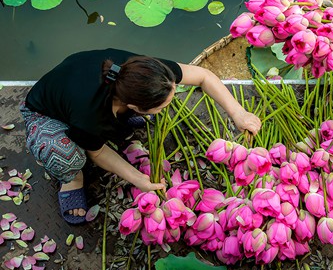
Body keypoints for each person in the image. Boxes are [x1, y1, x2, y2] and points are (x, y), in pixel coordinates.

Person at [21, 48, 261, 224]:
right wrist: (139, 179)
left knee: (109, 127)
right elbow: (98, 152)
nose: (170, 101)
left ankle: (118, 123)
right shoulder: (89, 114)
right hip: (45, 114)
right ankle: (72, 179)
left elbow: (203, 76)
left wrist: (238, 113)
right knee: (67, 154)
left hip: (83, 93)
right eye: (161, 104)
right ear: (134, 105)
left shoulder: (141, 71)